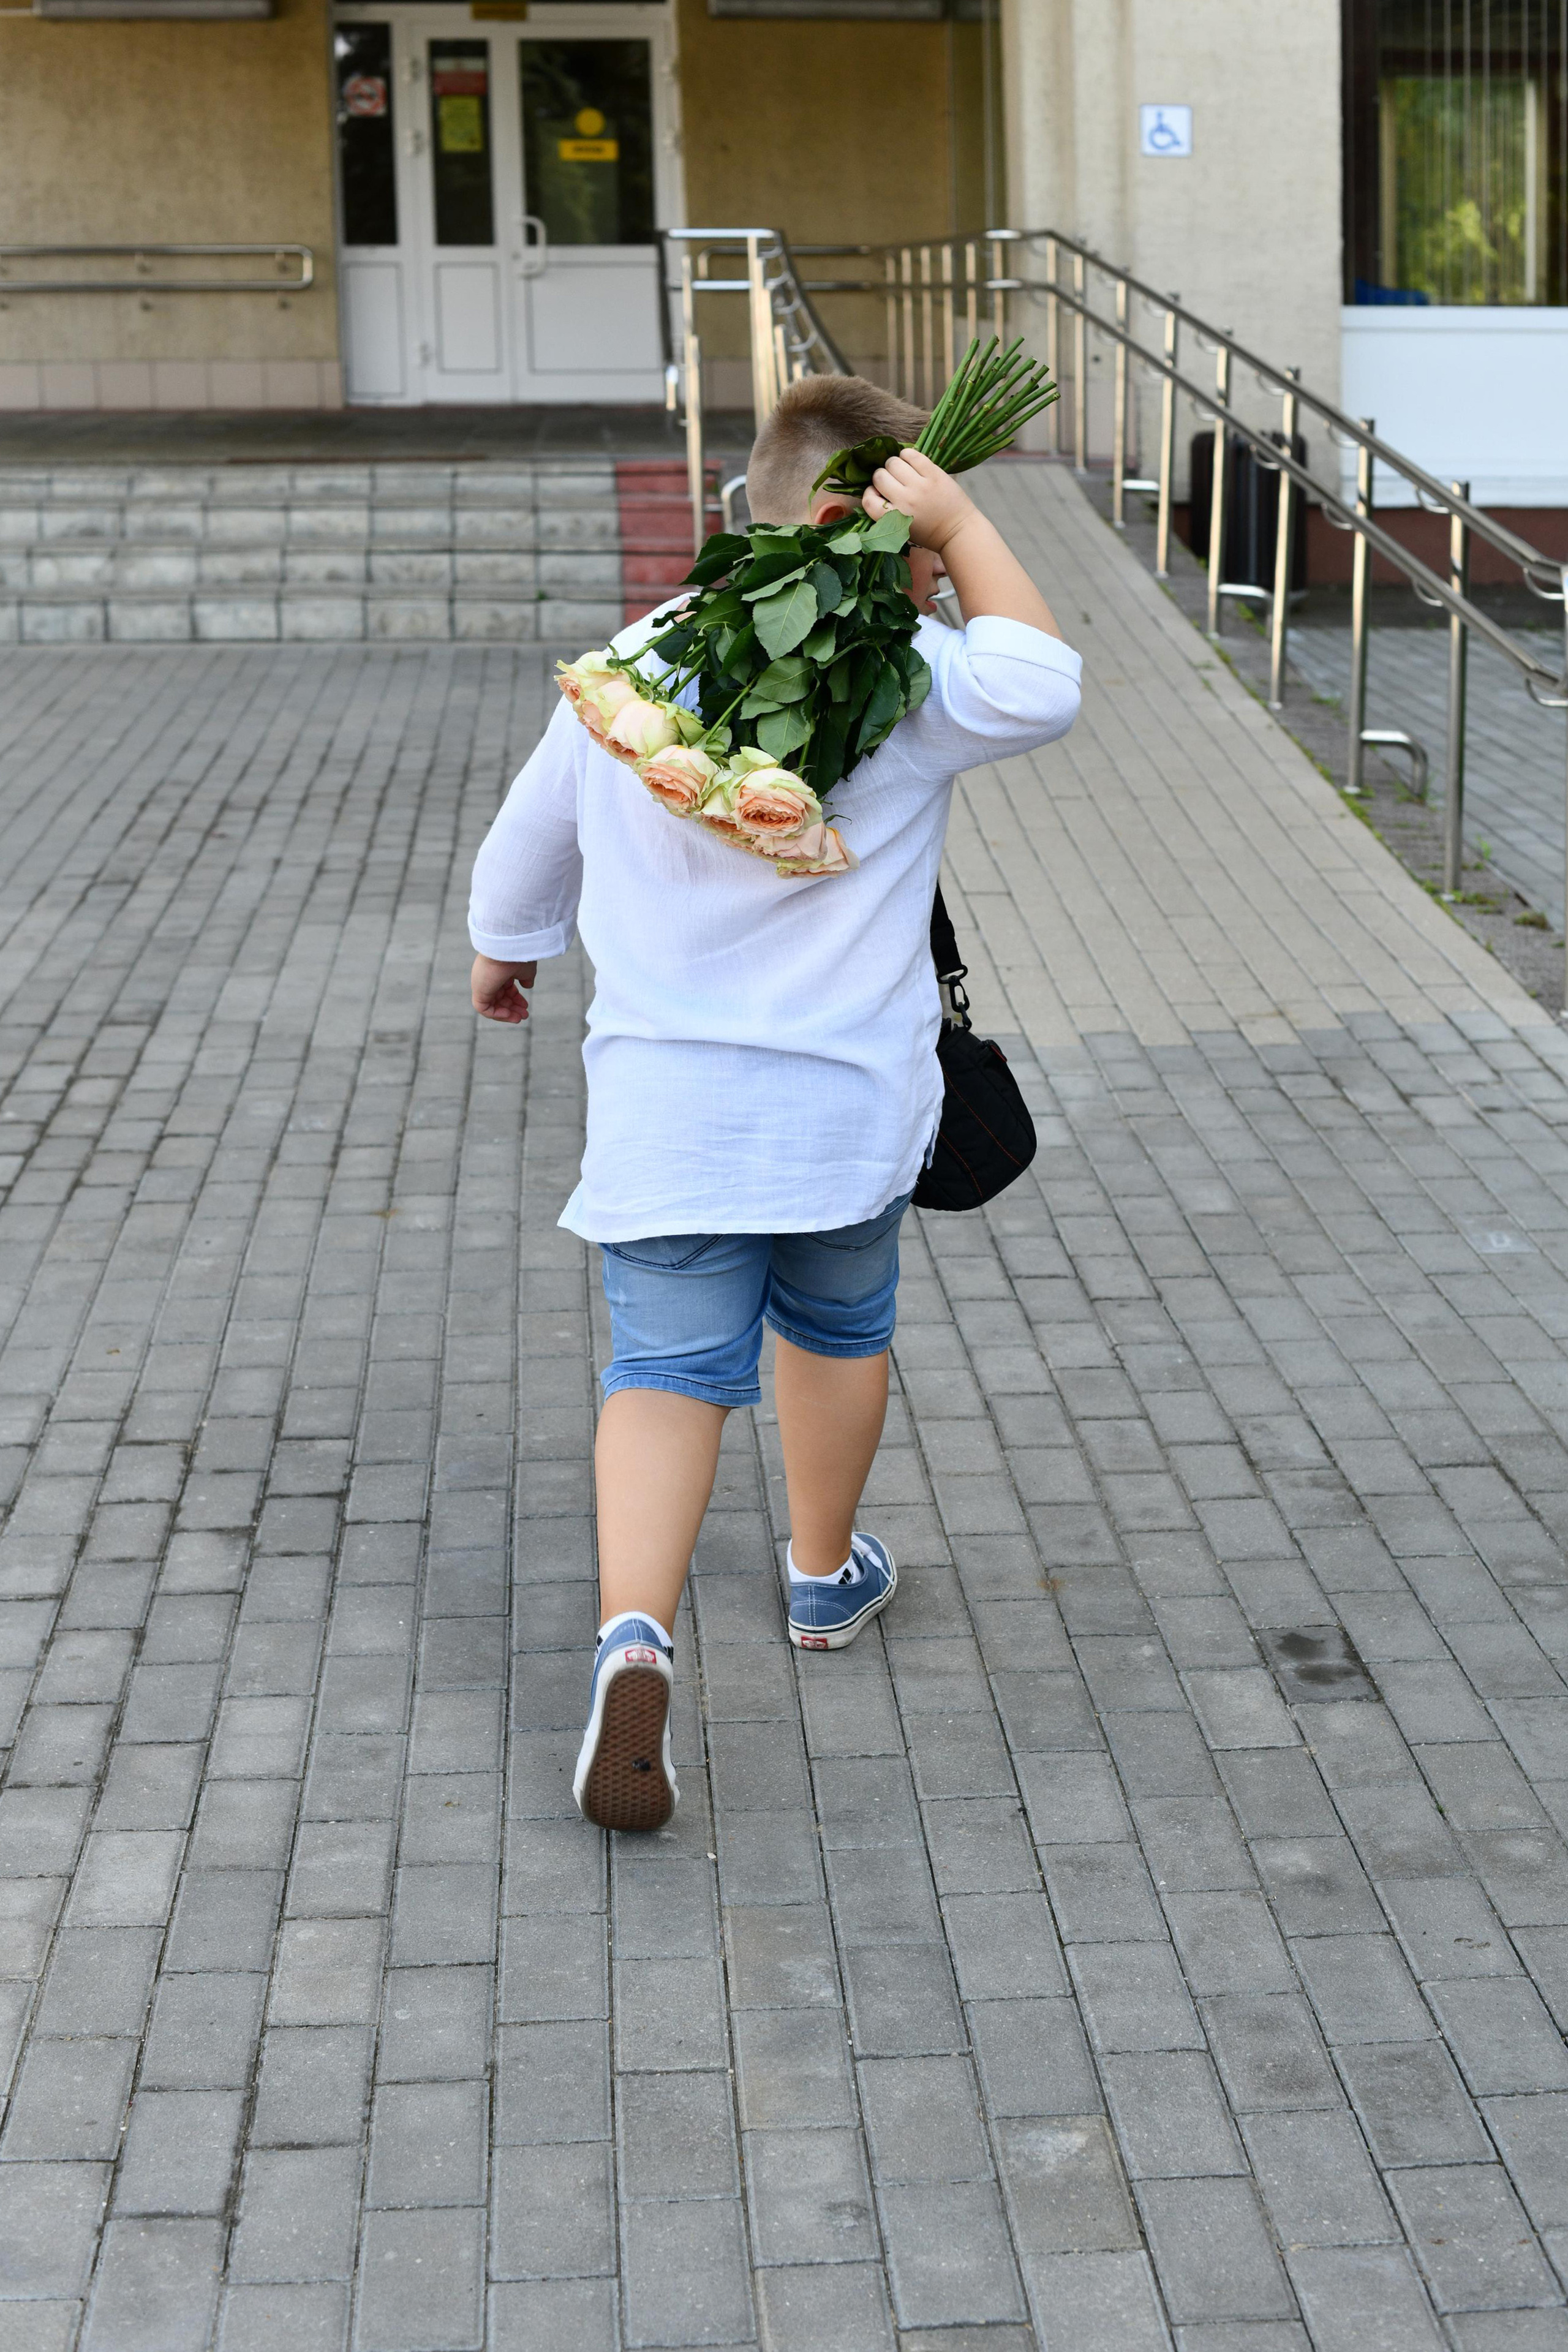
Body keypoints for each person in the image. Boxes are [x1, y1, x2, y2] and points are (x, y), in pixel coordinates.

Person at [469, 374, 1081, 1833]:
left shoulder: (638, 664)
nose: (938, 586)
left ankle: (634, 1642)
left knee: (665, 1373)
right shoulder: (908, 675)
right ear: (864, 522)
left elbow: (530, 835)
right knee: (836, 1331)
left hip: (667, 1115)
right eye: (921, 555)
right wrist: (964, 525)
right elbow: (1042, 680)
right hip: (843, 1114)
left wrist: (507, 949)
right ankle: (818, 1577)